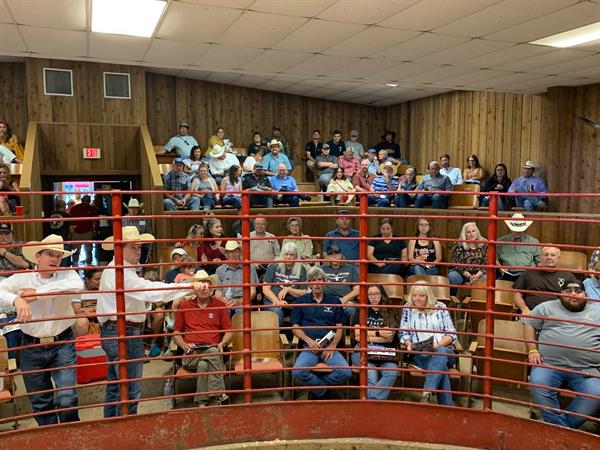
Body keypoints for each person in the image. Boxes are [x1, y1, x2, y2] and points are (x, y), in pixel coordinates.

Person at [97, 226, 207, 417]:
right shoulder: (120, 273)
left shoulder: (121, 271)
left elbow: (146, 291)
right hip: (123, 331)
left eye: (139, 247)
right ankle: (125, 430)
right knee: (129, 388)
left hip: (118, 330)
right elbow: (149, 290)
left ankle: (112, 428)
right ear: (119, 249)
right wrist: (187, 286)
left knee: (117, 387)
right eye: (133, 247)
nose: (138, 251)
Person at [0, 234, 83, 426]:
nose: (55, 259)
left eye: (58, 256)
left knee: (67, 398)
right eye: (50, 254)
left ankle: (71, 435)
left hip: (62, 342)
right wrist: (17, 299)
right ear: (38, 256)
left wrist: (35, 295)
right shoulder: (22, 277)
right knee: (40, 401)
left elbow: (75, 286)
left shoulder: (68, 274)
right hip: (31, 344)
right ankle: (52, 437)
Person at [524, 281, 600, 429]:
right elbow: (529, 324)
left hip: (586, 369)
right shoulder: (545, 307)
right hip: (549, 365)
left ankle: (559, 429)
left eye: (578, 291)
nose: (573, 294)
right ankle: (565, 432)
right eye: (567, 291)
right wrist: (532, 350)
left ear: (586, 294)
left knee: (596, 393)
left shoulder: (598, 312)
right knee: (538, 383)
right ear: (560, 294)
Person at [173, 270, 233, 407]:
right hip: (191, 352)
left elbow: (229, 331)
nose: (204, 288)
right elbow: (176, 332)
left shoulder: (220, 306)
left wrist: (223, 343)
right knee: (212, 353)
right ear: (194, 288)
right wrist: (184, 346)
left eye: (207, 285)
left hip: (213, 349)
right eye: (201, 285)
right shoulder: (185, 306)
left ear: (211, 287)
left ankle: (201, 402)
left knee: (204, 365)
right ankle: (220, 393)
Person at [291, 267, 352, 399]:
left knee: (346, 372)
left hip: (329, 347)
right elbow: (295, 327)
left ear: (324, 282)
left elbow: (340, 327)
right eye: (313, 280)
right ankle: (324, 392)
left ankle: (317, 389)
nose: (316, 283)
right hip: (309, 347)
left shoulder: (335, 301)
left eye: (319, 280)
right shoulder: (300, 302)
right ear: (308, 284)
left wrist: (333, 345)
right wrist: (309, 341)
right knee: (297, 372)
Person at [399, 282, 457, 405]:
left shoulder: (441, 307)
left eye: (421, 295)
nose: (417, 299)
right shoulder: (408, 308)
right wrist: (408, 343)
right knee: (442, 368)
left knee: (439, 352)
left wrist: (437, 345)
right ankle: (446, 407)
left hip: (446, 351)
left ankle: (428, 390)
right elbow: (403, 333)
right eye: (414, 295)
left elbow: (452, 334)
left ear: (428, 296)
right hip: (421, 353)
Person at [352, 284, 400, 400]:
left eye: (376, 294)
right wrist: (379, 333)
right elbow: (358, 335)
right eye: (370, 294)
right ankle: (375, 404)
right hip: (363, 349)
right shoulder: (362, 310)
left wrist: (367, 335)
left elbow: (389, 337)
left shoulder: (389, 311)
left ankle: (371, 401)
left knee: (392, 372)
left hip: (384, 352)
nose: (373, 297)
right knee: (371, 375)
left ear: (381, 295)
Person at [513, 246, 578, 315]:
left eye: (553, 255)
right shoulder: (529, 273)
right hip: (531, 312)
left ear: (558, 258)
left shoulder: (568, 276)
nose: (549, 257)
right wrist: (524, 309)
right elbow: (517, 294)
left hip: (556, 314)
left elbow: (573, 297)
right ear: (540, 257)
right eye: (546, 255)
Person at [0, 222, 30, 355]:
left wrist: (4, 252)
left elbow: (24, 264)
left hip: (18, 280)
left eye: (6, 234)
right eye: (0, 234)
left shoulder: (20, 245)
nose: (3, 237)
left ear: (12, 234)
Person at [262, 242, 308, 326]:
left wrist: (289, 289)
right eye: (286, 254)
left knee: (306, 311)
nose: (288, 257)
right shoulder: (274, 266)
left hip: (293, 303)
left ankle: (297, 337)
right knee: (277, 312)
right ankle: (278, 337)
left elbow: (304, 292)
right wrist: (277, 302)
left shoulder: (302, 269)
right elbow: (265, 289)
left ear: (296, 256)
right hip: (272, 301)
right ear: (282, 255)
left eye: (291, 254)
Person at [215, 240, 259, 315]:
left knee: (240, 311)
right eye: (230, 252)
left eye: (236, 251)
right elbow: (218, 292)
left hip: (243, 302)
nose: (233, 255)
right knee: (223, 311)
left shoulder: (249, 267)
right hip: (226, 302)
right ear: (226, 255)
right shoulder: (220, 269)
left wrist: (239, 301)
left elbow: (252, 293)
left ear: (240, 253)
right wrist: (222, 299)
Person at [496, 213, 540, 281]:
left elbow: (539, 261)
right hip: (507, 274)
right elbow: (494, 258)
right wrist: (500, 267)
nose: (517, 231)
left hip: (528, 274)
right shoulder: (500, 241)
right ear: (510, 228)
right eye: (515, 229)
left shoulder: (534, 241)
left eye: (520, 230)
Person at [447, 222, 487, 295]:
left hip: (479, 274)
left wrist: (476, 276)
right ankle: (454, 299)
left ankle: (479, 301)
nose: (471, 234)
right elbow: (457, 263)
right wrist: (470, 276)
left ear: (477, 232)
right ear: (464, 234)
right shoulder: (458, 244)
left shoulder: (485, 243)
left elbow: (486, 263)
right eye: (468, 232)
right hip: (462, 273)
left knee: (485, 278)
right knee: (452, 276)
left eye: (473, 231)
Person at [321, 245, 359, 321]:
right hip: (327, 301)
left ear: (341, 255)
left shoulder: (351, 268)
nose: (334, 256)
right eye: (331, 254)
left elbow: (358, 289)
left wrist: (344, 300)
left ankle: (347, 332)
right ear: (327, 257)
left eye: (336, 254)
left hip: (345, 300)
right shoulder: (321, 269)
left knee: (351, 310)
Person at [72, 268, 103, 337]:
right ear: (87, 280)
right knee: (81, 322)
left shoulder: (106, 287)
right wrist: (97, 310)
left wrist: (92, 312)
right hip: (85, 318)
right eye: (97, 279)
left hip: (100, 315)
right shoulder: (78, 289)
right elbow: (77, 311)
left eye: (102, 279)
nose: (100, 281)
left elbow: (109, 308)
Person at [68, 194, 98, 265]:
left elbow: (70, 221)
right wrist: (94, 230)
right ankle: (88, 265)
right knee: (87, 250)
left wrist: (71, 231)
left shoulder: (75, 208)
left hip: (79, 232)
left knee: (78, 250)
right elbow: (95, 221)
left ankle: (77, 264)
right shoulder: (92, 209)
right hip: (84, 232)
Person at [122, 198, 153, 265]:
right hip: (127, 246)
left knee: (140, 266)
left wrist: (149, 252)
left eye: (135, 208)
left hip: (141, 246)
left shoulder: (144, 219)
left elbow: (149, 235)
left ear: (138, 209)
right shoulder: (123, 220)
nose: (133, 211)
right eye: (131, 208)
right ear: (128, 209)